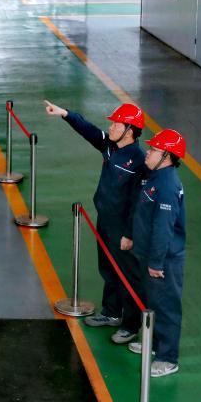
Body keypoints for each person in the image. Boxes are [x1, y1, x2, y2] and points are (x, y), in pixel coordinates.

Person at [44, 101, 145, 332]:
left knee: (127, 275)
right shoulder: (110, 146)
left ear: (129, 131)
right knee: (108, 269)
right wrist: (65, 113)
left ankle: (131, 326)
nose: (111, 127)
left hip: (123, 227)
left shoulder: (139, 161)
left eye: (116, 124)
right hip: (105, 220)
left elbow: (138, 204)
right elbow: (88, 130)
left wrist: (130, 234)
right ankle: (111, 312)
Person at [126, 128, 186, 378]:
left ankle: (168, 358)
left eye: (153, 150)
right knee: (152, 302)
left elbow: (163, 228)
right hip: (149, 254)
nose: (148, 153)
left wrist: (156, 262)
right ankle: (154, 344)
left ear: (167, 157)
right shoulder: (155, 177)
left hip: (163, 260)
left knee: (167, 307)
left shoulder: (167, 185)